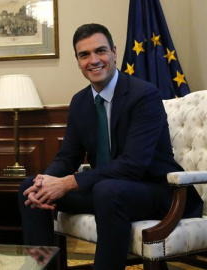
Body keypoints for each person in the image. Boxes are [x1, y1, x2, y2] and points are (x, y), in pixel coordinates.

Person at [18, 23, 203, 269]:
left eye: (100, 51)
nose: (93, 60)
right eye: (84, 55)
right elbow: (67, 157)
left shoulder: (144, 95)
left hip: (159, 192)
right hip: (107, 190)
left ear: (114, 52)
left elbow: (133, 165)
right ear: (78, 61)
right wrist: (47, 182)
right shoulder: (80, 101)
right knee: (30, 189)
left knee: (108, 190)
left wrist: (67, 183)